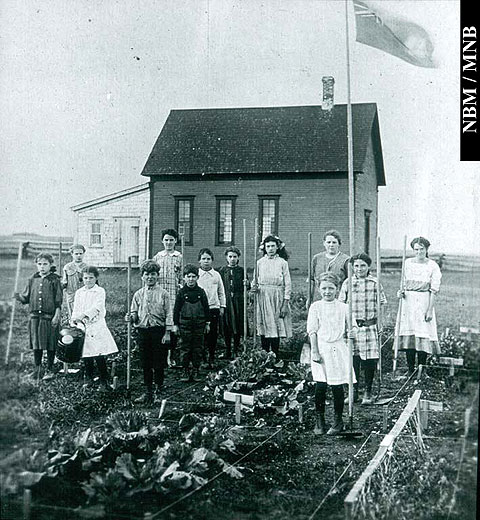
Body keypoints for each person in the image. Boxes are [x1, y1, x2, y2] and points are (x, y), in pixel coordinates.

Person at [307, 272, 357, 435]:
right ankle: (319, 420)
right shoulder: (316, 307)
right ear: (319, 289)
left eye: (331, 288)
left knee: (337, 385)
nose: (327, 291)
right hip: (321, 348)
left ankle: (338, 421)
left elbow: (353, 326)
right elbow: (312, 331)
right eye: (324, 288)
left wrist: (352, 333)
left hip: (338, 348)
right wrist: (314, 351)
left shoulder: (344, 307)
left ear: (337, 289)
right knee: (320, 385)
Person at [339, 253, 387, 404]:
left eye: (363, 266)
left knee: (369, 361)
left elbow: (382, 304)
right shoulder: (347, 283)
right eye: (356, 266)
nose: (359, 269)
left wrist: (381, 323)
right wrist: (344, 326)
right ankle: (353, 392)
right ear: (352, 267)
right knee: (353, 360)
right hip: (353, 327)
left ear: (368, 267)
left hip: (369, 327)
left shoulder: (374, 283)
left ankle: (368, 392)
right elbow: (341, 306)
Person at [126, 260, 172, 404]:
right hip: (143, 331)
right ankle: (148, 391)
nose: (150, 277)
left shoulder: (164, 294)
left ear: (157, 276)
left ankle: (158, 390)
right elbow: (134, 312)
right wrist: (130, 317)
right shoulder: (138, 294)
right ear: (142, 277)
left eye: (153, 274)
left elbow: (169, 314)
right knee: (145, 362)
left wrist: (167, 333)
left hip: (158, 331)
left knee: (158, 362)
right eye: (147, 274)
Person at [396, 237, 442, 374]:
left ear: (426, 249)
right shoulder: (407, 263)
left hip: (423, 303)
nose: (419, 252)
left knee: (423, 333)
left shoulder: (432, 265)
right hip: (408, 304)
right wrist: (400, 293)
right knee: (410, 333)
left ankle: (421, 370)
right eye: (416, 249)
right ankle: (410, 370)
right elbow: (403, 284)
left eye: (422, 249)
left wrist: (429, 310)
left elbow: (434, 290)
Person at [14, 252, 62, 380]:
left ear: (51, 265)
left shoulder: (55, 280)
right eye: (39, 264)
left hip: (49, 317)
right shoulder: (32, 279)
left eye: (45, 264)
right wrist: (18, 296)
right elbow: (26, 298)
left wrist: (57, 315)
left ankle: (50, 369)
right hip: (35, 317)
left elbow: (58, 301)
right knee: (36, 343)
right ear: (36, 265)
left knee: (50, 343)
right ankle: (38, 369)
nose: (42, 267)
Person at [71, 266, 118, 389]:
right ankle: (90, 379)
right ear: (82, 278)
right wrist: (74, 320)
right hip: (83, 326)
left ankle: (104, 381)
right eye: (86, 278)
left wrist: (84, 315)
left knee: (98, 353)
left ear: (96, 278)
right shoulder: (79, 292)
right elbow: (76, 308)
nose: (88, 280)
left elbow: (97, 307)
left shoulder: (99, 291)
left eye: (91, 278)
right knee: (86, 353)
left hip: (97, 326)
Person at [252, 235, 292, 356]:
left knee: (276, 324)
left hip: (277, 297)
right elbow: (255, 281)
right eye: (268, 246)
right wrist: (253, 288)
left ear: (277, 247)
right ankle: (264, 354)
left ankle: (275, 354)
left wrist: (285, 304)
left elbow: (288, 284)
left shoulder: (282, 263)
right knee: (265, 324)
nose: (270, 249)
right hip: (263, 296)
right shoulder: (259, 263)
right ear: (264, 247)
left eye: (273, 246)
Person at [173, 264, 210, 382]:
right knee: (185, 347)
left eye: (193, 276)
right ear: (184, 278)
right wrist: (175, 324)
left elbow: (206, 308)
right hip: (185, 324)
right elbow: (176, 309)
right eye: (188, 276)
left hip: (199, 324)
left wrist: (207, 323)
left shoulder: (201, 292)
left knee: (198, 347)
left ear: (197, 278)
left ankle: (196, 370)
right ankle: (185, 370)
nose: (191, 279)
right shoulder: (181, 292)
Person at [153, 229, 183, 366]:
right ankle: (161, 355)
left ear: (175, 241)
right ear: (162, 241)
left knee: (172, 324)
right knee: (160, 322)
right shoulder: (158, 257)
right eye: (166, 240)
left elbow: (182, 277)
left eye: (171, 240)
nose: (169, 242)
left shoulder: (179, 256)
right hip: (160, 295)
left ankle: (171, 356)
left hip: (173, 295)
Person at [218, 246, 250, 359]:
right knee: (227, 325)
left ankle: (236, 349)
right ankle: (227, 350)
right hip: (226, 301)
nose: (232, 259)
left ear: (238, 258)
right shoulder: (222, 271)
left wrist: (246, 284)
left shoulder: (242, 271)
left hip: (238, 301)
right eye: (230, 256)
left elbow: (247, 287)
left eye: (235, 257)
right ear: (226, 257)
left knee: (237, 324)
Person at [197, 248, 226, 368]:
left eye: (208, 259)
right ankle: (202, 358)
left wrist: (222, 306)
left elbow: (221, 292)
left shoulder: (216, 275)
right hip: (199, 309)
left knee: (212, 334)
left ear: (212, 260)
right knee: (201, 334)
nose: (206, 261)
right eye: (203, 259)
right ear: (199, 261)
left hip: (213, 307)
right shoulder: (196, 275)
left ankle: (211, 357)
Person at [310, 230, 350, 302]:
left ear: (339, 244)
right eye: (328, 242)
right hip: (319, 298)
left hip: (338, 297)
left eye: (334, 242)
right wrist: (309, 298)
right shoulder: (317, 258)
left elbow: (349, 282)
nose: (331, 245)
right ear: (324, 243)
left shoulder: (346, 260)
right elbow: (311, 280)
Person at [61, 244, 87, 316]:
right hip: (71, 293)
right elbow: (64, 281)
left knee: (83, 311)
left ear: (83, 254)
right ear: (72, 254)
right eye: (76, 254)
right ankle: (72, 324)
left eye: (80, 253)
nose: (79, 255)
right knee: (72, 313)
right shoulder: (67, 267)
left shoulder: (87, 267)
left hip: (84, 294)